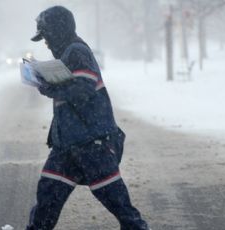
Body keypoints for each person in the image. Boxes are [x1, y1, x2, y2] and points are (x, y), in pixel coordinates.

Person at [26, 6, 150, 230]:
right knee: (47, 197)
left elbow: (83, 88)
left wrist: (48, 87)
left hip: (93, 145)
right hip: (67, 145)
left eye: (46, 36)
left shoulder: (77, 52)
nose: (45, 43)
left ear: (57, 32)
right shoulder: (67, 55)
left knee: (116, 200)